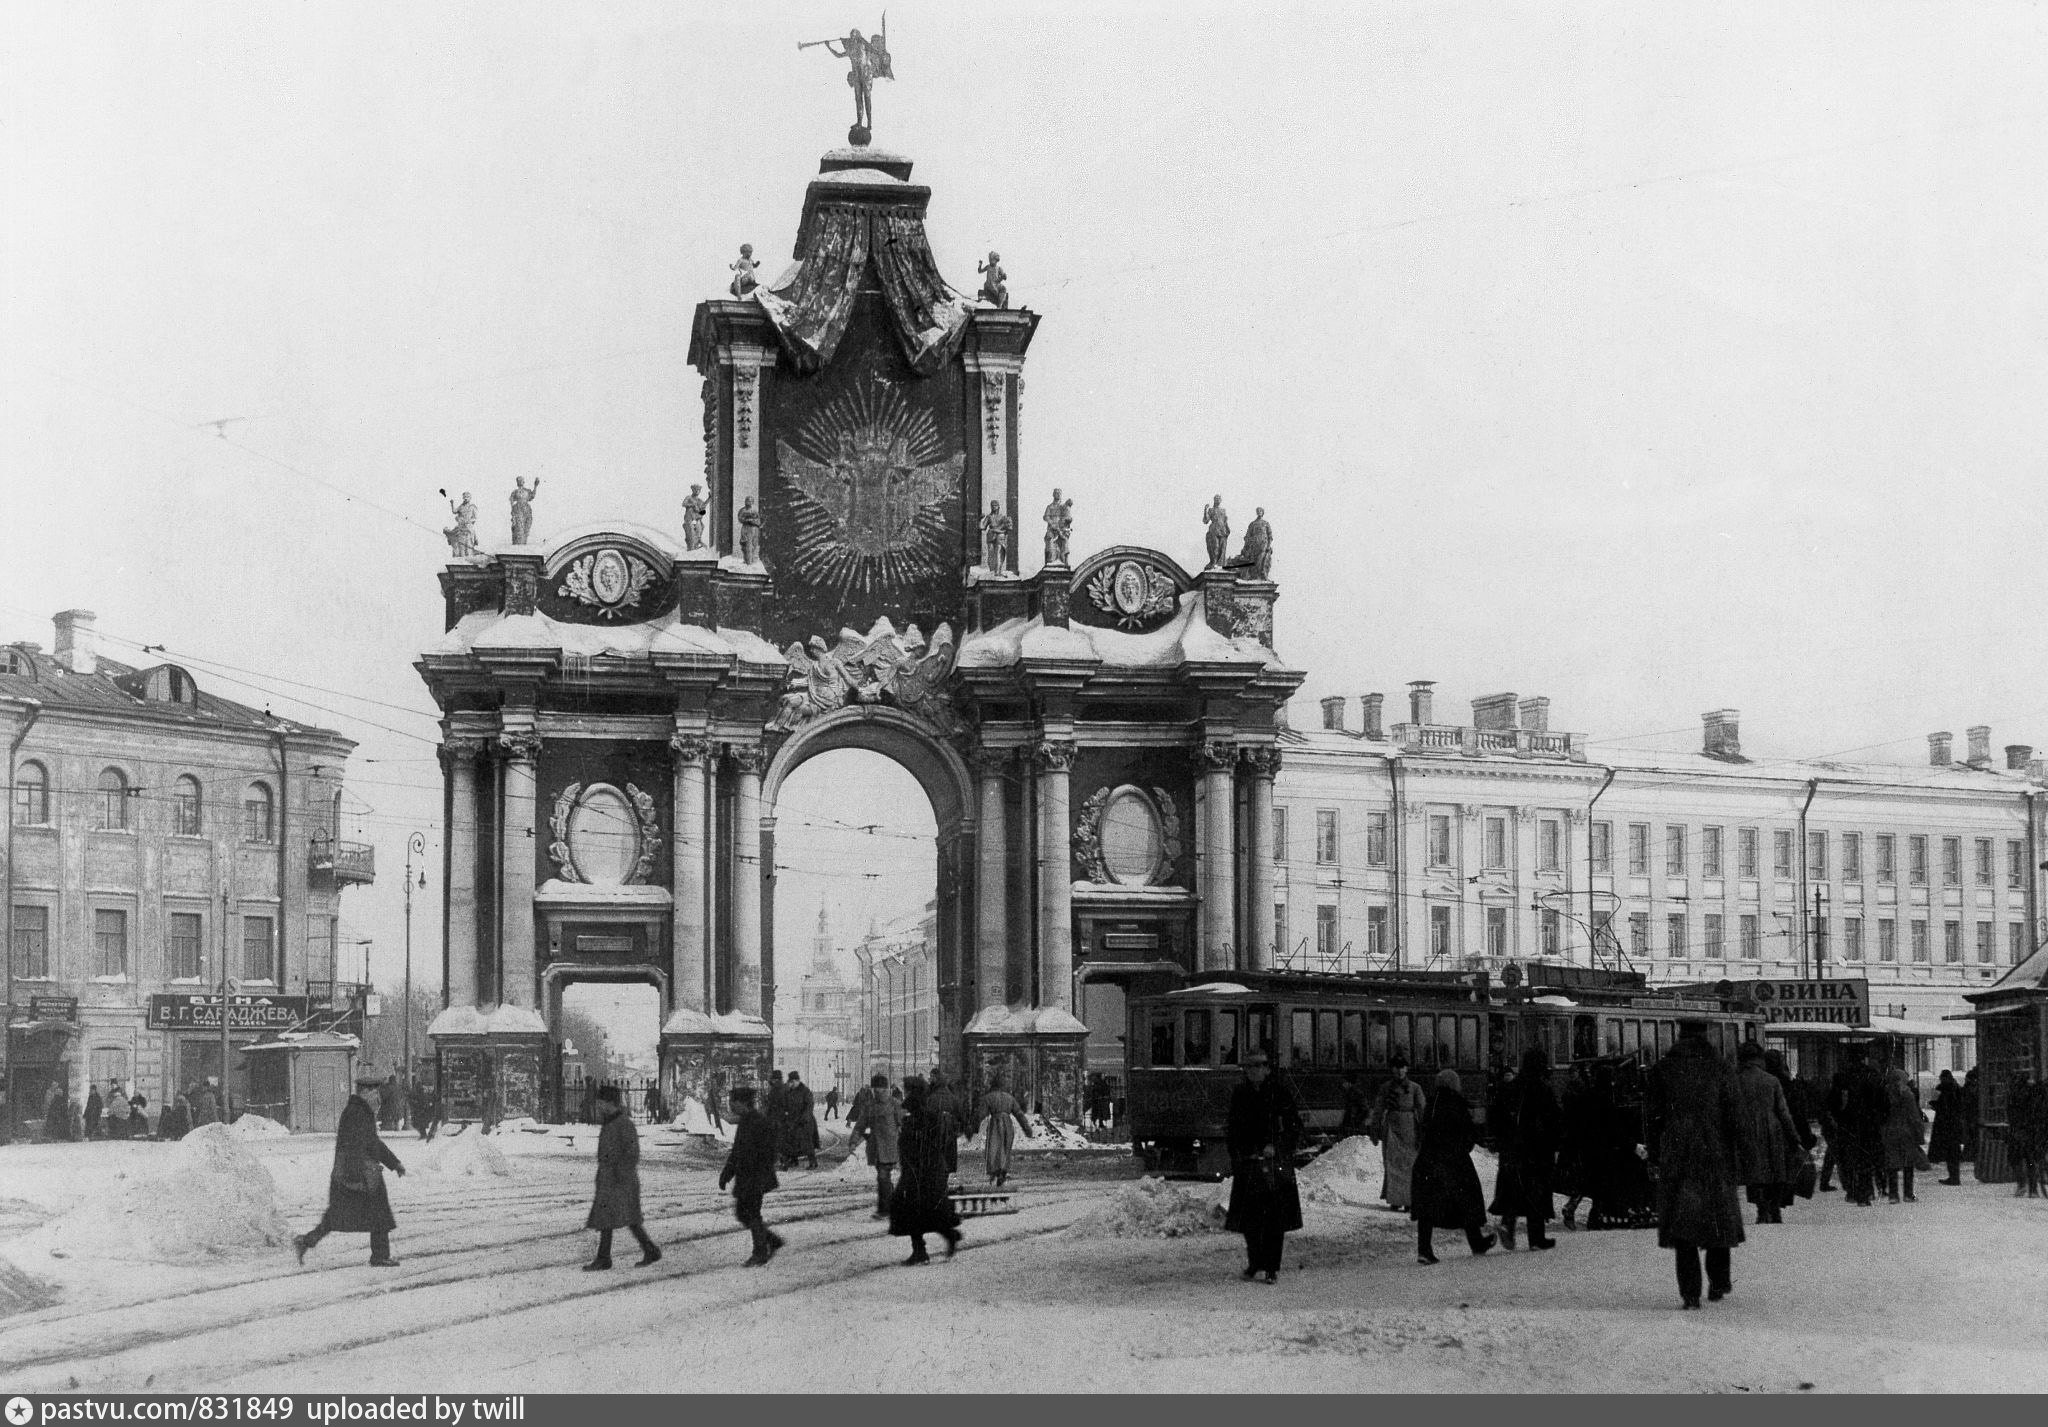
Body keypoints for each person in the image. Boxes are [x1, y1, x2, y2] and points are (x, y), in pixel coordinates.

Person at [1645, 1022, 1744, 1309]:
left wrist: (1654, 1153)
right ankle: (1719, 1281)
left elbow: (1652, 1118)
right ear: (1706, 1038)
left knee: (1682, 1223)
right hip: (1716, 1153)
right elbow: (1736, 1114)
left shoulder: (1663, 1069)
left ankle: (1690, 1292)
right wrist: (1741, 1150)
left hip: (1677, 1154)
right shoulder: (1721, 1068)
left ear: (1680, 1037)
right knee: (1717, 1217)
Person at [293, 1075, 406, 1268]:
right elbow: (370, 1144)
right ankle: (380, 1255)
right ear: (365, 1092)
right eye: (374, 1092)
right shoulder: (359, 1112)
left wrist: (392, 1163)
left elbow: (368, 1143)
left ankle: (306, 1241)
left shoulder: (357, 1110)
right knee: (378, 1212)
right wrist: (392, 1164)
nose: (377, 1096)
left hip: (351, 1172)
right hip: (358, 1172)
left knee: (337, 1214)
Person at [1224, 1051, 1304, 1283]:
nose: (1253, 1071)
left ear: (1267, 1069)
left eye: (1258, 1066)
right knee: (1249, 1220)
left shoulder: (1280, 1093)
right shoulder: (1240, 1094)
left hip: (1274, 1165)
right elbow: (1233, 1128)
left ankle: (1271, 1267)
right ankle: (1254, 1262)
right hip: (1249, 1164)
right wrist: (1237, 1154)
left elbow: (1293, 1127)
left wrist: (1276, 1147)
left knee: (1273, 1220)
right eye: (1249, 1067)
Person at [1410, 1068, 1495, 1265]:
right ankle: (1477, 1243)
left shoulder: (1431, 1103)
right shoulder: (1456, 1103)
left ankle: (1424, 1249)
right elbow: (1467, 1133)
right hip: (1453, 1161)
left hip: (1428, 1161)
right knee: (1467, 1198)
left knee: (1428, 1206)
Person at [1491, 1048, 1563, 1250]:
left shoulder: (1511, 1086)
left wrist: (1501, 1140)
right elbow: (1554, 1118)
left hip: (1512, 1148)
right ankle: (1536, 1238)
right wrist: (1556, 1143)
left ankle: (1508, 1223)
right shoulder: (1542, 1088)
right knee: (1537, 1191)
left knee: (1515, 1186)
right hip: (1537, 1149)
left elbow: (1496, 1114)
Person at [583, 1086, 661, 1270]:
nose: (598, 1106)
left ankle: (605, 1258)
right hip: (610, 1179)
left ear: (610, 1102)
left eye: (600, 1102)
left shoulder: (623, 1123)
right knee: (615, 1218)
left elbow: (632, 1153)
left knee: (617, 1217)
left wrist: (619, 1174)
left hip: (620, 1180)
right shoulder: (610, 1122)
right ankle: (648, 1250)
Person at [889, 1076, 963, 1266]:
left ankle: (928, 1246)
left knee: (915, 1208)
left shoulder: (919, 1117)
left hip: (922, 1171)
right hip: (924, 1170)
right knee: (921, 1209)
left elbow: (918, 1145)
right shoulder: (925, 1115)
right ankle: (940, 1239)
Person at [1732, 1041, 1806, 1224]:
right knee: (1774, 1170)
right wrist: (1794, 1136)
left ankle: (1761, 1209)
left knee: (1754, 1171)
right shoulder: (1771, 1081)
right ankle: (1774, 1208)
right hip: (1772, 1131)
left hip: (1745, 1130)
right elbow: (1783, 1112)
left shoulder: (1735, 1080)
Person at [719, 1086, 784, 1266]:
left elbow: (769, 1151)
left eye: (733, 1102)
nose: (730, 1105)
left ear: (742, 1103)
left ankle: (760, 1252)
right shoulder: (746, 1121)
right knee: (744, 1213)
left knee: (750, 1213)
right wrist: (726, 1174)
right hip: (747, 1177)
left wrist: (757, 1171)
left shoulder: (757, 1122)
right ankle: (771, 1241)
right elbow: (737, 1152)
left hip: (755, 1177)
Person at [1826, 1043, 1886, 1207]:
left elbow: (1833, 1102)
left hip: (1848, 1124)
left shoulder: (1842, 1077)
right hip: (1870, 1124)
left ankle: (1853, 1191)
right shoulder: (1873, 1075)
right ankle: (1866, 1193)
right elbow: (1883, 1101)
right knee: (1866, 1158)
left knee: (1848, 1159)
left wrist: (1838, 1118)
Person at [1370, 1053, 1427, 1213]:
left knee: (1409, 1164)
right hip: (1392, 1127)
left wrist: (1424, 1131)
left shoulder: (1415, 1088)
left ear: (1406, 1069)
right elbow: (1378, 1109)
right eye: (1396, 1068)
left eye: (1402, 1067)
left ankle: (1409, 1200)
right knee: (1392, 1162)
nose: (1399, 1071)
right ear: (1392, 1070)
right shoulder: (1386, 1087)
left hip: (1410, 1128)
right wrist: (1374, 1130)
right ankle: (1394, 1199)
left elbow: (1422, 1109)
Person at [847, 1073, 903, 1219]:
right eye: (875, 1088)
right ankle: (890, 1206)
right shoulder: (869, 1106)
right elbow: (860, 1126)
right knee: (884, 1178)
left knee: (883, 1177)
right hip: (876, 1148)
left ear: (884, 1089)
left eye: (879, 1088)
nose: (876, 1091)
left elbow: (904, 1125)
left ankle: (885, 1210)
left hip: (890, 1147)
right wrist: (853, 1141)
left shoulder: (894, 1104)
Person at [1879, 1062, 1927, 1204]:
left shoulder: (1886, 1093)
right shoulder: (1907, 1094)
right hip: (1907, 1133)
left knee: (1892, 1164)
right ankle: (1908, 1193)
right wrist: (1919, 1134)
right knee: (1908, 1163)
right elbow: (1914, 1117)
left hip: (1889, 1132)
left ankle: (1893, 1195)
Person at [979, 1072, 1034, 1187]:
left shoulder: (989, 1097)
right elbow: (1019, 1114)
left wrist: (972, 1125)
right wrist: (1027, 1129)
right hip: (1007, 1125)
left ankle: (994, 1173)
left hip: (995, 1123)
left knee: (993, 1149)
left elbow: (981, 1114)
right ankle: (1003, 1172)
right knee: (1005, 1148)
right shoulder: (1010, 1098)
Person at [2005, 1072, 2042, 1198]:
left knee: (2015, 1159)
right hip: (2031, 1130)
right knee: (2030, 1160)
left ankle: (2021, 1183)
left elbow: (2010, 1113)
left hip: (2017, 1130)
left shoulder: (2013, 1094)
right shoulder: (2033, 1093)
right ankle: (2033, 1188)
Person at [1928, 1069, 1969, 1186]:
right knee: (1952, 1151)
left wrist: (1938, 1107)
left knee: (1951, 1152)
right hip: (1952, 1125)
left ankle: (1954, 1177)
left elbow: (1939, 1105)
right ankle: (1954, 1176)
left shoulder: (1946, 1090)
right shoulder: (1955, 1089)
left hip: (1946, 1125)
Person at [924, 1069, 961, 1178]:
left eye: (932, 1077)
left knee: (936, 1152)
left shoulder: (931, 1097)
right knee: (948, 1153)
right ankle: (945, 1176)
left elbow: (926, 1113)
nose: (930, 1079)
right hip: (949, 1128)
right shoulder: (952, 1097)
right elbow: (959, 1114)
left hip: (935, 1127)